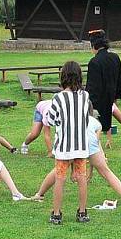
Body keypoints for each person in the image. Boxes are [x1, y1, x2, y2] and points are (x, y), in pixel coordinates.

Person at [32, 107, 121, 205]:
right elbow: (96, 142)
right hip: (87, 144)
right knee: (106, 171)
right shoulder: (96, 123)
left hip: (74, 143)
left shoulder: (71, 120)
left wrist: (74, 169)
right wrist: (100, 158)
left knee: (59, 169)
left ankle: (39, 194)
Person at [45, 61, 92, 224]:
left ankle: (56, 214)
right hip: (81, 145)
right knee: (81, 178)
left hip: (64, 146)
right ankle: (82, 212)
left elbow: (50, 120)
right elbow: (86, 119)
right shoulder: (85, 96)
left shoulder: (58, 97)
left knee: (60, 178)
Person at [85, 30, 121, 135]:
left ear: (93, 46)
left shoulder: (94, 62)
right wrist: (115, 98)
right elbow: (119, 79)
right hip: (110, 99)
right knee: (103, 126)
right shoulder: (115, 58)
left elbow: (92, 87)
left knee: (94, 128)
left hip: (97, 102)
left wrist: (87, 102)